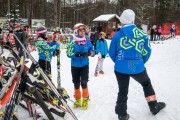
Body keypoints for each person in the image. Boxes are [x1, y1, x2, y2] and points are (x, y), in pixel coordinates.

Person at [109, 9, 166, 120]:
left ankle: (122, 114)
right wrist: (140, 62)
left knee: (123, 90)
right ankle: (154, 106)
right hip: (137, 66)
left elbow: (112, 52)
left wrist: (120, 62)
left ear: (123, 21)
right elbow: (147, 51)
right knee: (146, 83)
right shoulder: (142, 34)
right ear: (133, 20)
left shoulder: (118, 34)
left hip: (120, 68)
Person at [66, 23, 94, 110]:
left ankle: (85, 99)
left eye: (83, 30)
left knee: (84, 82)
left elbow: (92, 50)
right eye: (80, 30)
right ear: (76, 31)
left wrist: (92, 53)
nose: (82, 32)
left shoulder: (87, 41)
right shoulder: (72, 42)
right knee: (76, 83)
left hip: (85, 65)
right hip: (75, 65)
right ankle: (78, 99)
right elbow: (68, 53)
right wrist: (76, 55)